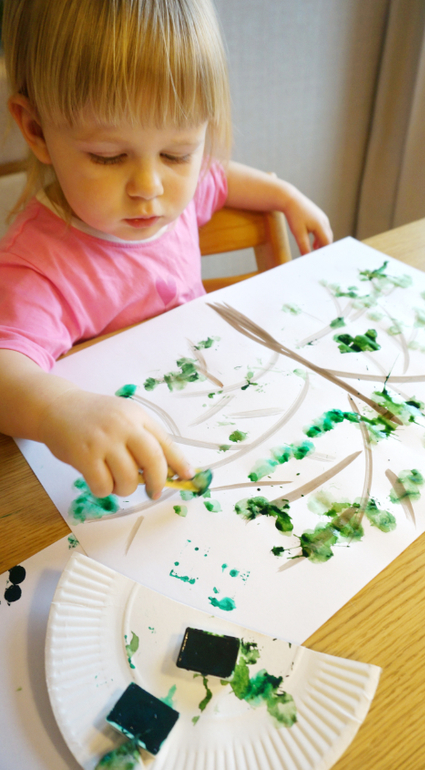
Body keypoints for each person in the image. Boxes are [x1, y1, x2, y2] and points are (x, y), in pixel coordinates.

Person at [0, 0, 332, 503]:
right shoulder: (38, 266)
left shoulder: (182, 193)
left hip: (213, 412)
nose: (149, 187)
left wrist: (284, 196)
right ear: (37, 130)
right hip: (123, 471)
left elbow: (220, 179)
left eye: (177, 153)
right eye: (109, 157)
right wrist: (59, 410)